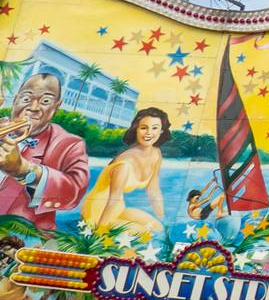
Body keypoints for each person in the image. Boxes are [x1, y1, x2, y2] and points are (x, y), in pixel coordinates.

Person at [0, 71, 93, 231]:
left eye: (45, 101)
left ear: (56, 107)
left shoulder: (69, 143)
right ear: (15, 100)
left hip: (21, 239)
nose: (33, 108)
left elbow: (74, 192)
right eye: (26, 98)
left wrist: (23, 169)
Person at [79, 107, 172, 243]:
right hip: (98, 211)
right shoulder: (124, 163)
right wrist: (98, 235)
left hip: (119, 208)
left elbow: (153, 190)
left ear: (161, 131)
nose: (149, 133)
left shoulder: (156, 154)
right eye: (144, 128)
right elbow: (113, 199)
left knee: (159, 229)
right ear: (136, 129)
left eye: (155, 128)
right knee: (146, 233)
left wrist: (163, 218)